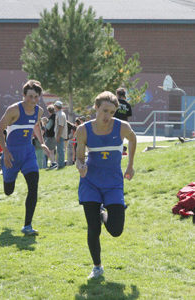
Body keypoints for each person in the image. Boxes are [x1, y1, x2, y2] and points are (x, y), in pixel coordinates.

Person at [76, 91, 137, 279]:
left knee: (116, 230)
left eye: (111, 112)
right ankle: (97, 267)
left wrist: (130, 165)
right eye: (104, 111)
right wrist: (81, 166)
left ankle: (104, 213)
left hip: (113, 183)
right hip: (91, 183)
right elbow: (78, 158)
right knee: (93, 228)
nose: (107, 116)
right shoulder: (83, 130)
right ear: (96, 107)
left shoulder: (122, 127)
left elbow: (133, 139)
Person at [0, 80, 50, 236]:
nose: (33, 100)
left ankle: (27, 226)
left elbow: (36, 125)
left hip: (28, 153)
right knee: (8, 191)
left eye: (36, 97)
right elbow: (0, 129)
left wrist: (42, 143)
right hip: (11, 155)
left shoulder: (38, 111)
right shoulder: (14, 110)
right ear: (24, 95)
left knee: (33, 186)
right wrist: (5, 152)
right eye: (30, 96)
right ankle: (5, 171)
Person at [114, 87, 132, 155]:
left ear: (117, 94)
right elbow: (128, 115)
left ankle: (119, 150)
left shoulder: (115, 103)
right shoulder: (127, 105)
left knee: (114, 139)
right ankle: (121, 150)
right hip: (124, 125)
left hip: (114, 124)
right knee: (121, 139)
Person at [54, 100, 68, 170]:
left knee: (60, 150)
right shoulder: (60, 113)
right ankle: (60, 164)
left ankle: (61, 165)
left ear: (56, 106)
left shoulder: (60, 114)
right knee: (60, 150)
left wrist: (58, 136)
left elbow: (61, 126)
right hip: (60, 135)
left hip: (60, 135)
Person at [44, 105, 57, 170]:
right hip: (53, 135)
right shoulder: (55, 116)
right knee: (52, 150)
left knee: (48, 150)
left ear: (49, 111)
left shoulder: (52, 117)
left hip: (50, 136)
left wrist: (45, 123)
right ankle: (53, 162)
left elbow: (48, 127)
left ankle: (53, 163)